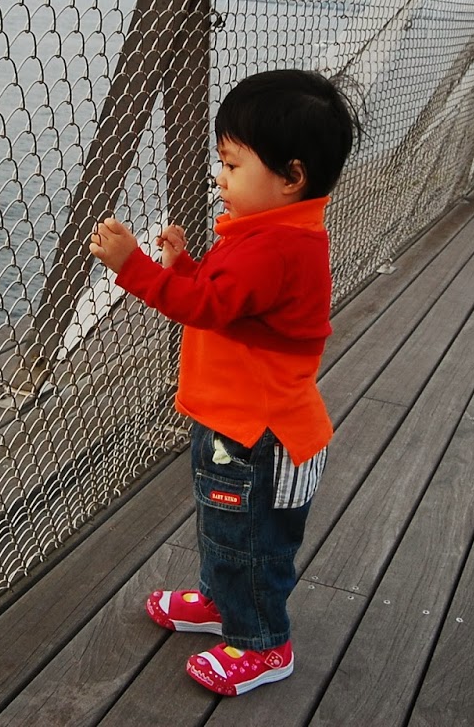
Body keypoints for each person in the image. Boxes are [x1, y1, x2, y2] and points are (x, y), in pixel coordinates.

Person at [89, 68, 361, 697]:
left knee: (253, 541)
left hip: (257, 436)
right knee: (226, 529)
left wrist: (135, 268)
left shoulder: (273, 248)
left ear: (291, 176)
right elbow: (230, 302)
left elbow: (207, 308)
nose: (220, 177)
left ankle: (264, 643)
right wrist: (185, 267)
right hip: (235, 425)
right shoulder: (276, 233)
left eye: (233, 165)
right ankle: (221, 602)